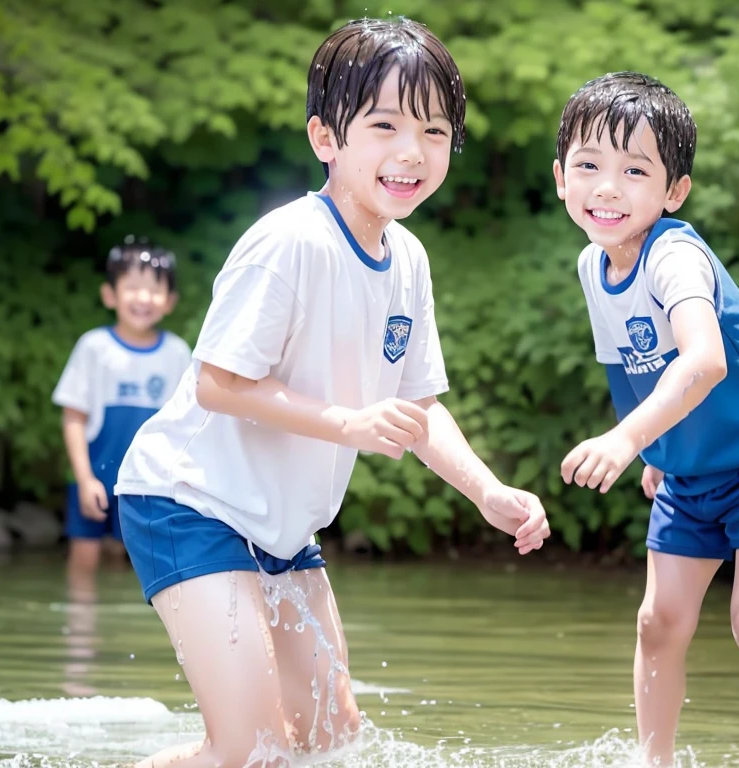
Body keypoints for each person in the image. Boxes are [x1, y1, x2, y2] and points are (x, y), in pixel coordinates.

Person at [114, 17, 551, 768]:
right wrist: (346, 422)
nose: (411, 152)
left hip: (282, 529)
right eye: (383, 126)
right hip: (189, 503)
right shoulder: (289, 243)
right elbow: (217, 383)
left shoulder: (407, 259)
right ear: (326, 138)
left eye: (435, 131)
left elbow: (421, 408)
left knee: (331, 744)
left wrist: (486, 492)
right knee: (250, 754)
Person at [553, 72, 739, 768]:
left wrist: (627, 440)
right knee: (659, 623)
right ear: (561, 178)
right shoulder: (594, 264)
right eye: (588, 166)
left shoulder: (672, 254)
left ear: (672, 192)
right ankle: (654, 764)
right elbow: (636, 366)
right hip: (689, 465)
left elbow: (703, 360)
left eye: (633, 170)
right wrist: (658, 447)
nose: (607, 188)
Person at [51, 238, 190, 596]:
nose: (142, 299)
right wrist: (84, 479)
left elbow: (186, 427)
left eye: (153, 290)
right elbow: (73, 417)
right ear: (110, 294)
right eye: (132, 288)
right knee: (84, 558)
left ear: (170, 301)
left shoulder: (177, 354)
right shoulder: (94, 347)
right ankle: (80, 629)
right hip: (96, 478)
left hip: (153, 485)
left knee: (156, 564)